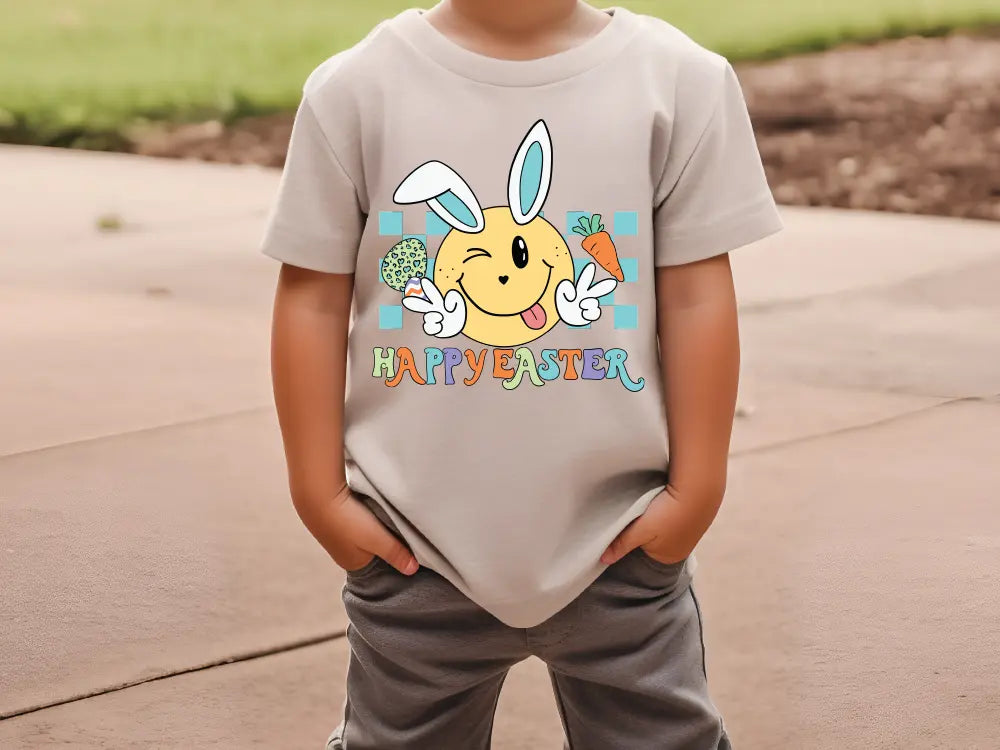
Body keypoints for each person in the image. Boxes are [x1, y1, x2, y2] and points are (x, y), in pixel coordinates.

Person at [261, 1, 782, 747]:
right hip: (412, 546)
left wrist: (697, 490)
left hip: (621, 542)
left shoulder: (678, 83)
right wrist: (319, 495)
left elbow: (698, 296)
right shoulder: (356, 90)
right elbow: (311, 298)